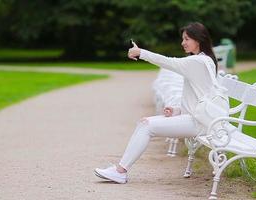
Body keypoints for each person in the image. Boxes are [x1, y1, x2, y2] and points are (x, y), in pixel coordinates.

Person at [94, 22, 229, 184]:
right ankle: (120, 171)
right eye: (182, 39)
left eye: (187, 39)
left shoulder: (198, 62)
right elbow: (200, 97)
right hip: (202, 119)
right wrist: (177, 110)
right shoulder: (203, 60)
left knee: (147, 125)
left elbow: (168, 62)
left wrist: (141, 52)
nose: (183, 43)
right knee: (144, 123)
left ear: (198, 40)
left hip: (201, 123)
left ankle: (120, 172)